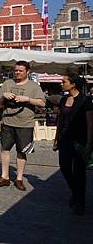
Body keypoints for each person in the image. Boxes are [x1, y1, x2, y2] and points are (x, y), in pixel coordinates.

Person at [0, 61, 46, 191]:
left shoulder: (34, 86)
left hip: (25, 124)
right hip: (7, 122)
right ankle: (4, 177)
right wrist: (3, 96)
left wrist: (27, 99)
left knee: (22, 152)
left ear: (27, 72)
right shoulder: (7, 83)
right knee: (4, 149)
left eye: (20, 71)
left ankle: (19, 179)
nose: (17, 73)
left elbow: (42, 103)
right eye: (16, 70)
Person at [53, 73, 93, 215]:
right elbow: (60, 120)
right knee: (64, 167)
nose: (61, 83)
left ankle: (79, 202)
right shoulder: (64, 99)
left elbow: (90, 123)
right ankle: (75, 192)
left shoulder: (85, 100)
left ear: (73, 84)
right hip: (65, 138)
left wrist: (89, 143)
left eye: (64, 81)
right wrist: (56, 139)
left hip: (80, 140)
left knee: (79, 171)